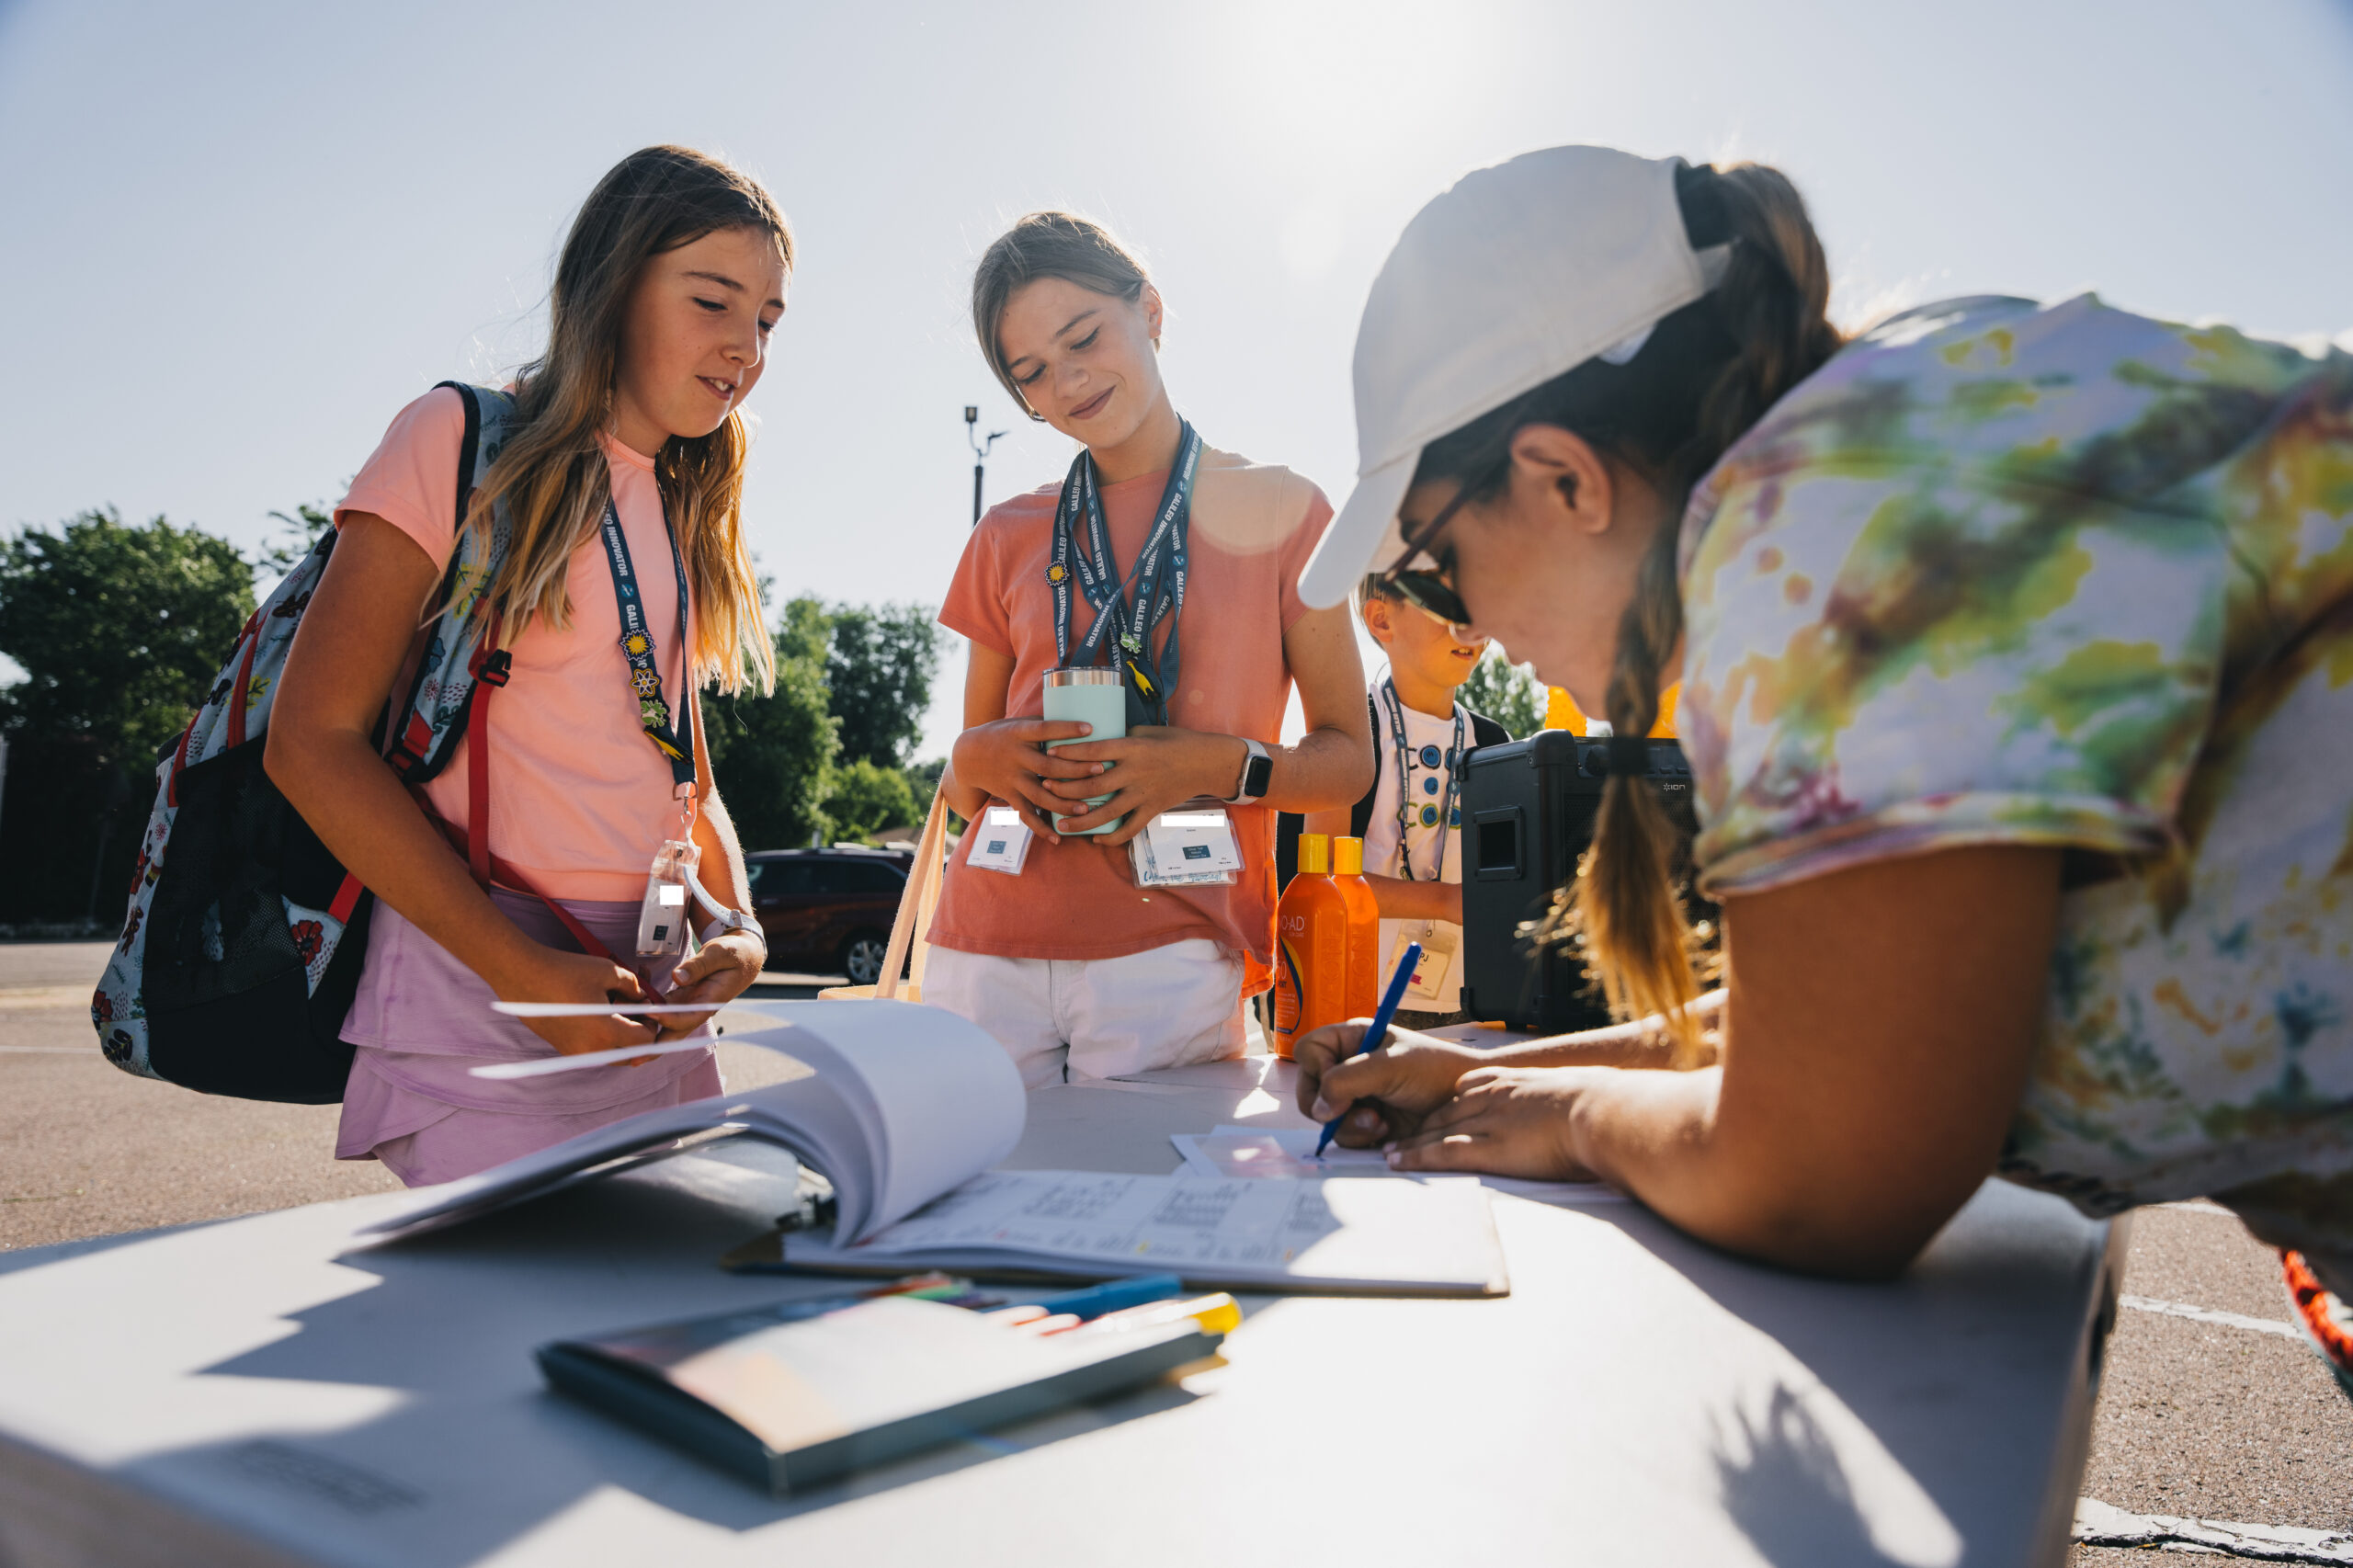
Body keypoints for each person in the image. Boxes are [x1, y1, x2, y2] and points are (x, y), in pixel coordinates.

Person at [1290, 145, 2353, 1388]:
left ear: (1563, 478)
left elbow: (1819, 1170)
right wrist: (1494, 1074)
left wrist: (1570, 1118)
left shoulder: (1815, 518)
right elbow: (1847, 1009)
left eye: (1427, 557)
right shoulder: (1878, 437)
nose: (1456, 611)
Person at [267, 146, 786, 1186]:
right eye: (713, 302)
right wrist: (516, 968)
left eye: (768, 320)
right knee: (504, 1340)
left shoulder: (687, 498)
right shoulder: (457, 439)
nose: (745, 346)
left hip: (648, 1005)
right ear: (614, 285)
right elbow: (310, 743)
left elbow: (686, 772)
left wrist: (742, 928)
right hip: (483, 981)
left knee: (655, 1335)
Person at [928, 211, 1371, 1089]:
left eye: (1084, 336)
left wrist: (1208, 766)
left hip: (1173, 953)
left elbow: (1348, 761)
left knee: (1136, 1219)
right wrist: (979, 754)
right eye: (1033, 374)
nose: (1069, 379)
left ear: (1153, 312)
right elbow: (965, 776)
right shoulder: (1006, 532)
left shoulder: (1287, 509)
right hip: (980, 949)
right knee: (962, 1213)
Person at [1300, 576, 1509, 1029]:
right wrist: (1445, 900)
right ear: (1381, 620)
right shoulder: (1346, 736)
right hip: (1357, 1001)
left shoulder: (1494, 743)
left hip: (1471, 1006)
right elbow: (1326, 883)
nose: (1470, 625)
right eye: (1447, 604)